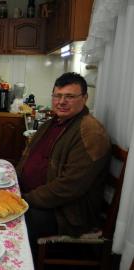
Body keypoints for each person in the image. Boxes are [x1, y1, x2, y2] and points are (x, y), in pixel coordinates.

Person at [16, 72, 111, 249]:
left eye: (70, 96)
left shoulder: (91, 132)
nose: (61, 102)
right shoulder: (53, 123)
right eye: (58, 96)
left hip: (67, 213)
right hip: (37, 198)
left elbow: (69, 187)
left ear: (85, 98)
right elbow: (28, 157)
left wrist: (25, 199)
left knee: (11, 221)